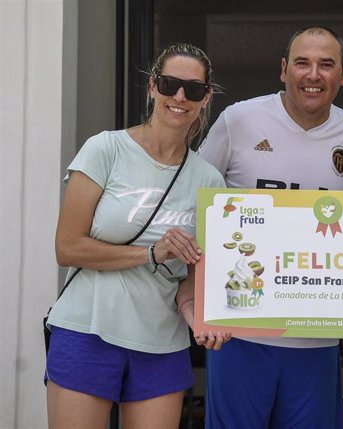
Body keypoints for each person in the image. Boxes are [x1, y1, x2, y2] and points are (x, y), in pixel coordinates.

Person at [198, 26, 343, 428]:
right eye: (302, 63)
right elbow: (196, 207)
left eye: (326, 64)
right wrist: (193, 301)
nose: (313, 74)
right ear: (284, 70)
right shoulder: (238, 120)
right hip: (239, 331)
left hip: (317, 338)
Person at [46, 43, 231, 428]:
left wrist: (197, 316)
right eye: (169, 84)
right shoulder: (105, 149)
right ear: (152, 87)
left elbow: (189, 279)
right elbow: (67, 247)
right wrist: (151, 254)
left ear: (205, 98)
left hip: (162, 345)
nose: (180, 96)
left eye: (193, 89)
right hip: (88, 332)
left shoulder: (209, 180)